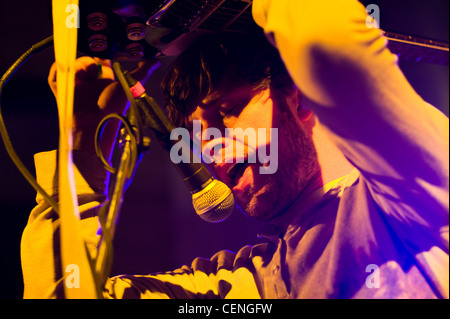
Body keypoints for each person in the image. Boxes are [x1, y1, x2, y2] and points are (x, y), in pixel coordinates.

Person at [21, 0, 448, 298]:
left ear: (296, 97)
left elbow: (324, 39)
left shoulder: (405, 193)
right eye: (200, 136)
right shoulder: (255, 286)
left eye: (228, 113)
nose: (217, 157)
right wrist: (79, 162)